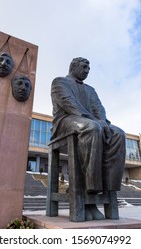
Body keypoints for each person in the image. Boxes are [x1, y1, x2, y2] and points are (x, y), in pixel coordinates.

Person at [51, 57, 126, 220]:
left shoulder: (91, 90)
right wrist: (96, 122)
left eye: (89, 68)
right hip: (65, 121)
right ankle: (89, 191)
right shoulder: (59, 82)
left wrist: (104, 123)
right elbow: (69, 104)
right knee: (91, 127)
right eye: (84, 67)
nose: (87, 70)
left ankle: (108, 186)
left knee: (118, 133)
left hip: (91, 121)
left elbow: (99, 108)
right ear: (73, 66)